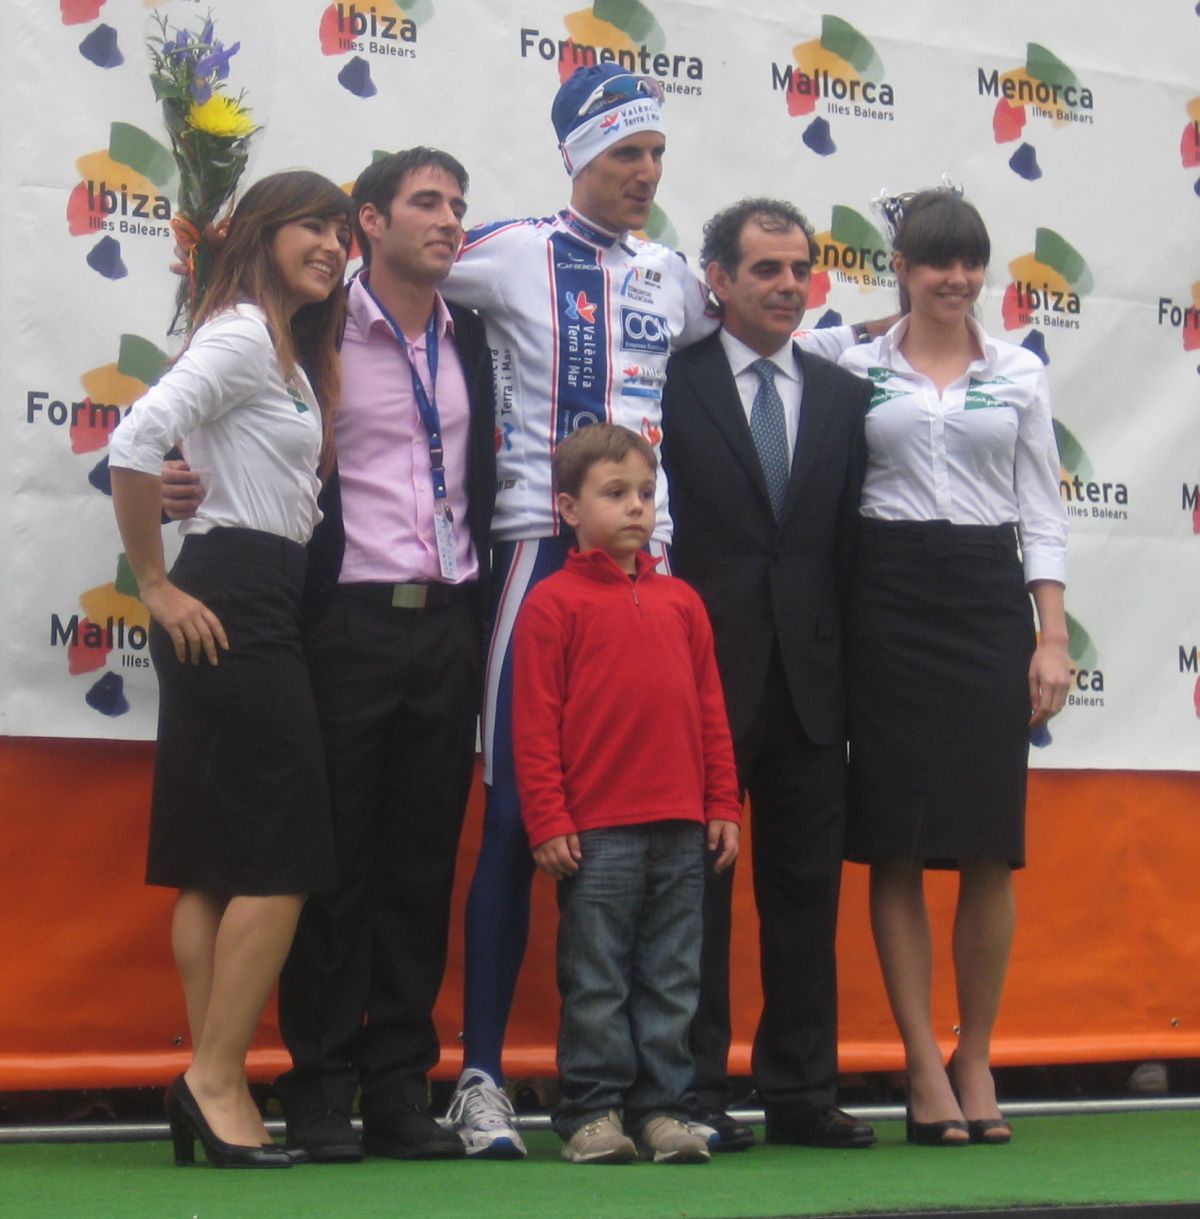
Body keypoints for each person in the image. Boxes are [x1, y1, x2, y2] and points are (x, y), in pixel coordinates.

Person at [162, 148, 497, 1163]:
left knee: (421, 865)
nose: (449, 220)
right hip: (341, 616)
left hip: (449, 618)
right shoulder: (312, 321)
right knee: (330, 862)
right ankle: (316, 1089)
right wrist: (177, 472)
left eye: (459, 205)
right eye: (426, 202)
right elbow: (205, 419)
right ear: (369, 224)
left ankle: (399, 1089)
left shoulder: (476, 334)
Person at [437, 62, 719, 1156]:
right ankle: (480, 1076)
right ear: (578, 159)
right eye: (624, 155)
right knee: (518, 817)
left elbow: (760, 328)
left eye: (655, 154)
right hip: (539, 552)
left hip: (651, 568)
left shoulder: (671, 274)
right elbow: (383, 278)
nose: (645, 173)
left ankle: (647, 1092)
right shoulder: (510, 250)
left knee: (654, 828)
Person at [108, 170, 354, 1168]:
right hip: (233, 600)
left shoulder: (281, 347)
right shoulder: (246, 332)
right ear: (259, 233)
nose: (333, 244)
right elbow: (134, 436)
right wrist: (154, 583)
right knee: (285, 858)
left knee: (216, 860)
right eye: (312, 225)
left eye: (341, 231)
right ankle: (214, 1080)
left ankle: (218, 1082)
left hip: (257, 594)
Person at [836, 188, 1069, 1146]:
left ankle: (976, 1054)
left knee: (987, 844)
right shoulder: (850, 361)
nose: (956, 279)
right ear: (900, 267)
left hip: (984, 598)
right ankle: (922, 1064)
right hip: (884, 598)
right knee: (894, 840)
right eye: (937, 261)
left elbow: (1042, 508)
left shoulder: (1019, 371)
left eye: (970, 262)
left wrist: (1051, 635)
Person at [661, 198, 877, 1150]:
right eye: (766, 270)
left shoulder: (841, 396)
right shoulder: (671, 384)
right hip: (699, 680)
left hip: (811, 687)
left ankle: (802, 1092)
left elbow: (846, 551)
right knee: (693, 900)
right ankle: (693, 1091)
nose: (789, 286)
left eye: (800, 269)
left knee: (804, 896)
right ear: (717, 279)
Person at [512, 423, 741, 1164]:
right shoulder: (552, 604)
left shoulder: (682, 602)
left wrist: (723, 803)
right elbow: (533, 723)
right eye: (615, 493)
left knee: (672, 977)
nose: (637, 507)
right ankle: (592, 1111)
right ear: (569, 509)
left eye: (646, 492)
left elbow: (711, 711)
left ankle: (664, 1109)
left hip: (682, 827)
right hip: (597, 832)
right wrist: (548, 818)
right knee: (597, 978)